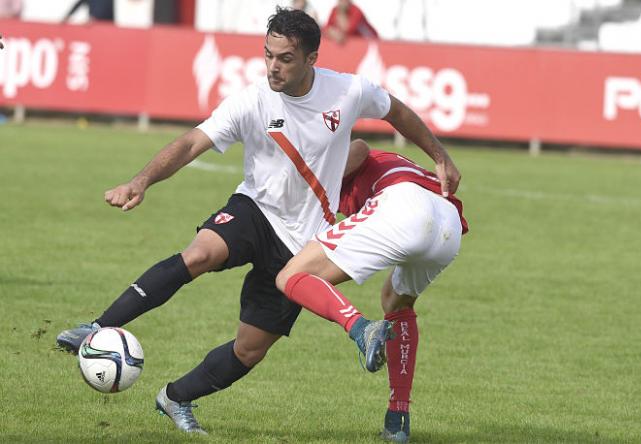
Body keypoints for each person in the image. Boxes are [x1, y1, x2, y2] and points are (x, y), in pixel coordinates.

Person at [56, 7, 461, 436]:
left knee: (249, 350)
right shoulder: (251, 100)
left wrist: (439, 156)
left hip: (304, 243)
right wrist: (142, 181)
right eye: (268, 54)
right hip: (255, 210)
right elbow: (193, 141)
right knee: (200, 254)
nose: (273, 66)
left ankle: (175, 398)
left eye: (285, 58)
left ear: (311, 59)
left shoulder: (349, 91)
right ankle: (97, 327)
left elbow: (396, 112)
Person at [275, 139, 469, 443]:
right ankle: (397, 418)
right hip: (448, 225)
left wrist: (309, 179)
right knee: (395, 301)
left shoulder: (323, 158)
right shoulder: (386, 162)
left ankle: (361, 328)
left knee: (290, 277)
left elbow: (360, 148)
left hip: (403, 205)